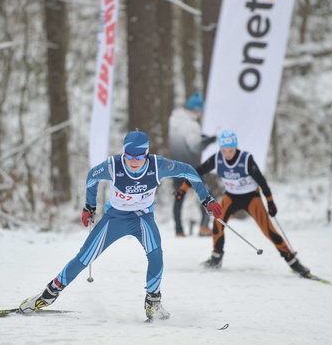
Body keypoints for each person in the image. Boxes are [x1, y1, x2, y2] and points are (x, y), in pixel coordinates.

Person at [19, 131, 222, 321]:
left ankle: (153, 302)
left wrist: (207, 200)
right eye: (129, 156)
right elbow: (92, 176)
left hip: (143, 218)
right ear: (123, 153)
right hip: (115, 218)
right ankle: (48, 294)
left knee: (156, 254)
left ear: (147, 154)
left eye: (139, 157)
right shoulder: (113, 166)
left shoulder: (158, 165)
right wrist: (89, 206)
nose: (133, 162)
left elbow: (189, 171)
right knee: (84, 257)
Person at [177, 130, 311, 278]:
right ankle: (216, 258)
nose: (227, 154)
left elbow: (262, 181)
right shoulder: (217, 159)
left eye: (231, 150)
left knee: (269, 230)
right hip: (231, 196)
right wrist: (183, 189)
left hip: (251, 197)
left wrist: (270, 202)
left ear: (236, 148)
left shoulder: (246, 159)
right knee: (218, 224)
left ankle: (292, 261)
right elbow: (197, 172)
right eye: (224, 150)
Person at [168, 92, 216, 237]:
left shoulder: (175, 120)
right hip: (191, 168)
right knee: (206, 195)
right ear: (197, 109)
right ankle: (204, 227)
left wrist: (201, 137)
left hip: (175, 167)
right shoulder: (191, 124)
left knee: (179, 197)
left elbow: (184, 140)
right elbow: (195, 146)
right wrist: (208, 141)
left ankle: (179, 230)